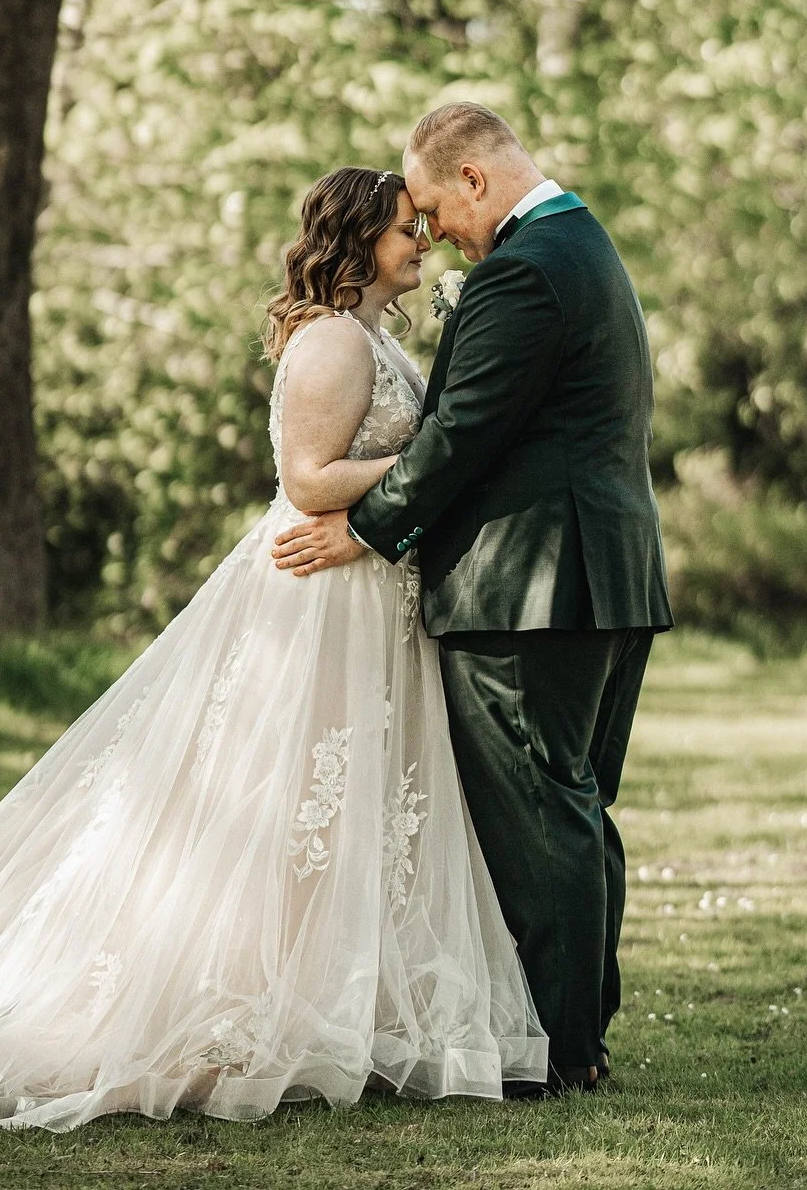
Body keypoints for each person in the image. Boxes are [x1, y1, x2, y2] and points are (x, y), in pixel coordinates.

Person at [0, 167, 544, 1141]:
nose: (422, 244)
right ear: (361, 239)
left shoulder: (372, 335)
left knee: (340, 811)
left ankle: (337, 995)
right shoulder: (330, 339)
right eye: (408, 231)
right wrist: (436, 469)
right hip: (318, 606)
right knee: (289, 804)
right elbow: (307, 478)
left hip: (366, 598)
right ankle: (249, 999)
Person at [273, 104, 672, 1091]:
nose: (435, 232)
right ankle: (577, 1037)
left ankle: (562, 1051)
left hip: (531, 594)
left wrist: (362, 533)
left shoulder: (525, 272)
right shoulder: (587, 247)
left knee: (545, 821)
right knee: (574, 812)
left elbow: (459, 439)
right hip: (602, 579)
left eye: (436, 210)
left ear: (475, 180)